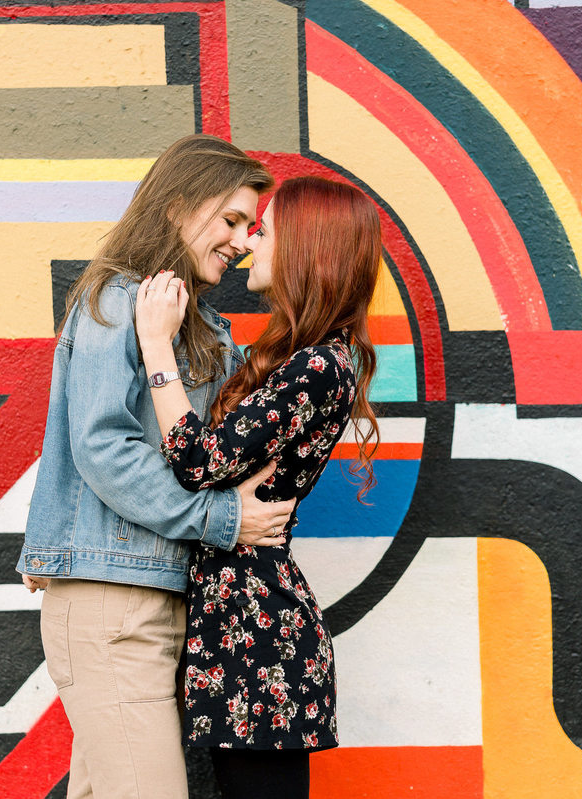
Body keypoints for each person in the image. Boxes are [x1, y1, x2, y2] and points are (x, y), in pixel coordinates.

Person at [17, 134, 293, 799]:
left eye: (250, 227)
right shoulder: (119, 300)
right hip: (113, 603)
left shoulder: (199, 324)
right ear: (178, 207)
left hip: (158, 598)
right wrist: (223, 518)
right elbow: (103, 446)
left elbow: (210, 453)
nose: (242, 242)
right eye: (231, 220)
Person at [134, 176, 382, 799]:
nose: (247, 242)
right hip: (241, 624)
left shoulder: (318, 366)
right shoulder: (303, 358)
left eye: (262, 230)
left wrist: (157, 343)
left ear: (305, 249)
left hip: (258, 635)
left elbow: (197, 462)